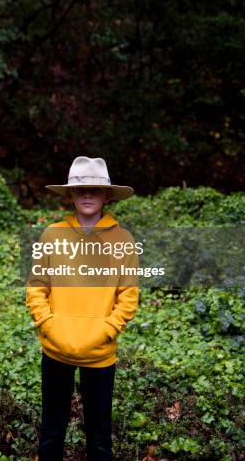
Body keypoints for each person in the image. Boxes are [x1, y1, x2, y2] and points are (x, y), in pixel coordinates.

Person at [25, 156, 140, 461]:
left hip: (100, 352)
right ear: (70, 196)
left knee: (99, 434)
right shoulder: (51, 235)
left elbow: (128, 295)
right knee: (52, 429)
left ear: (107, 196)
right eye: (80, 190)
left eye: (95, 190)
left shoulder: (123, 240)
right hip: (55, 349)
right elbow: (37, 286)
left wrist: (107, 329)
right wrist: (48, 325)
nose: (87, 195)